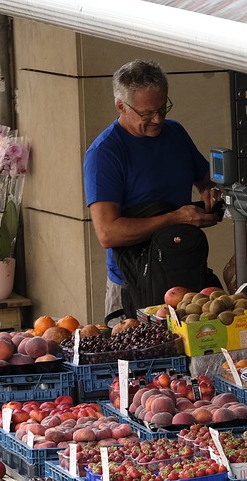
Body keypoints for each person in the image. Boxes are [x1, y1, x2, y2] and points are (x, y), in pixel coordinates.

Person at [84, 59, 221, 319]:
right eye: (146, 114)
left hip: (183, 272)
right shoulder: (105, 154)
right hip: (132, 282)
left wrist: (209, 191)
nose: (157, 119)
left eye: (163, 108)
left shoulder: (175, 133)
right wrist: (176, 218)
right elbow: (108, 233)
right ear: (121, 106)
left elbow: (205, 179)